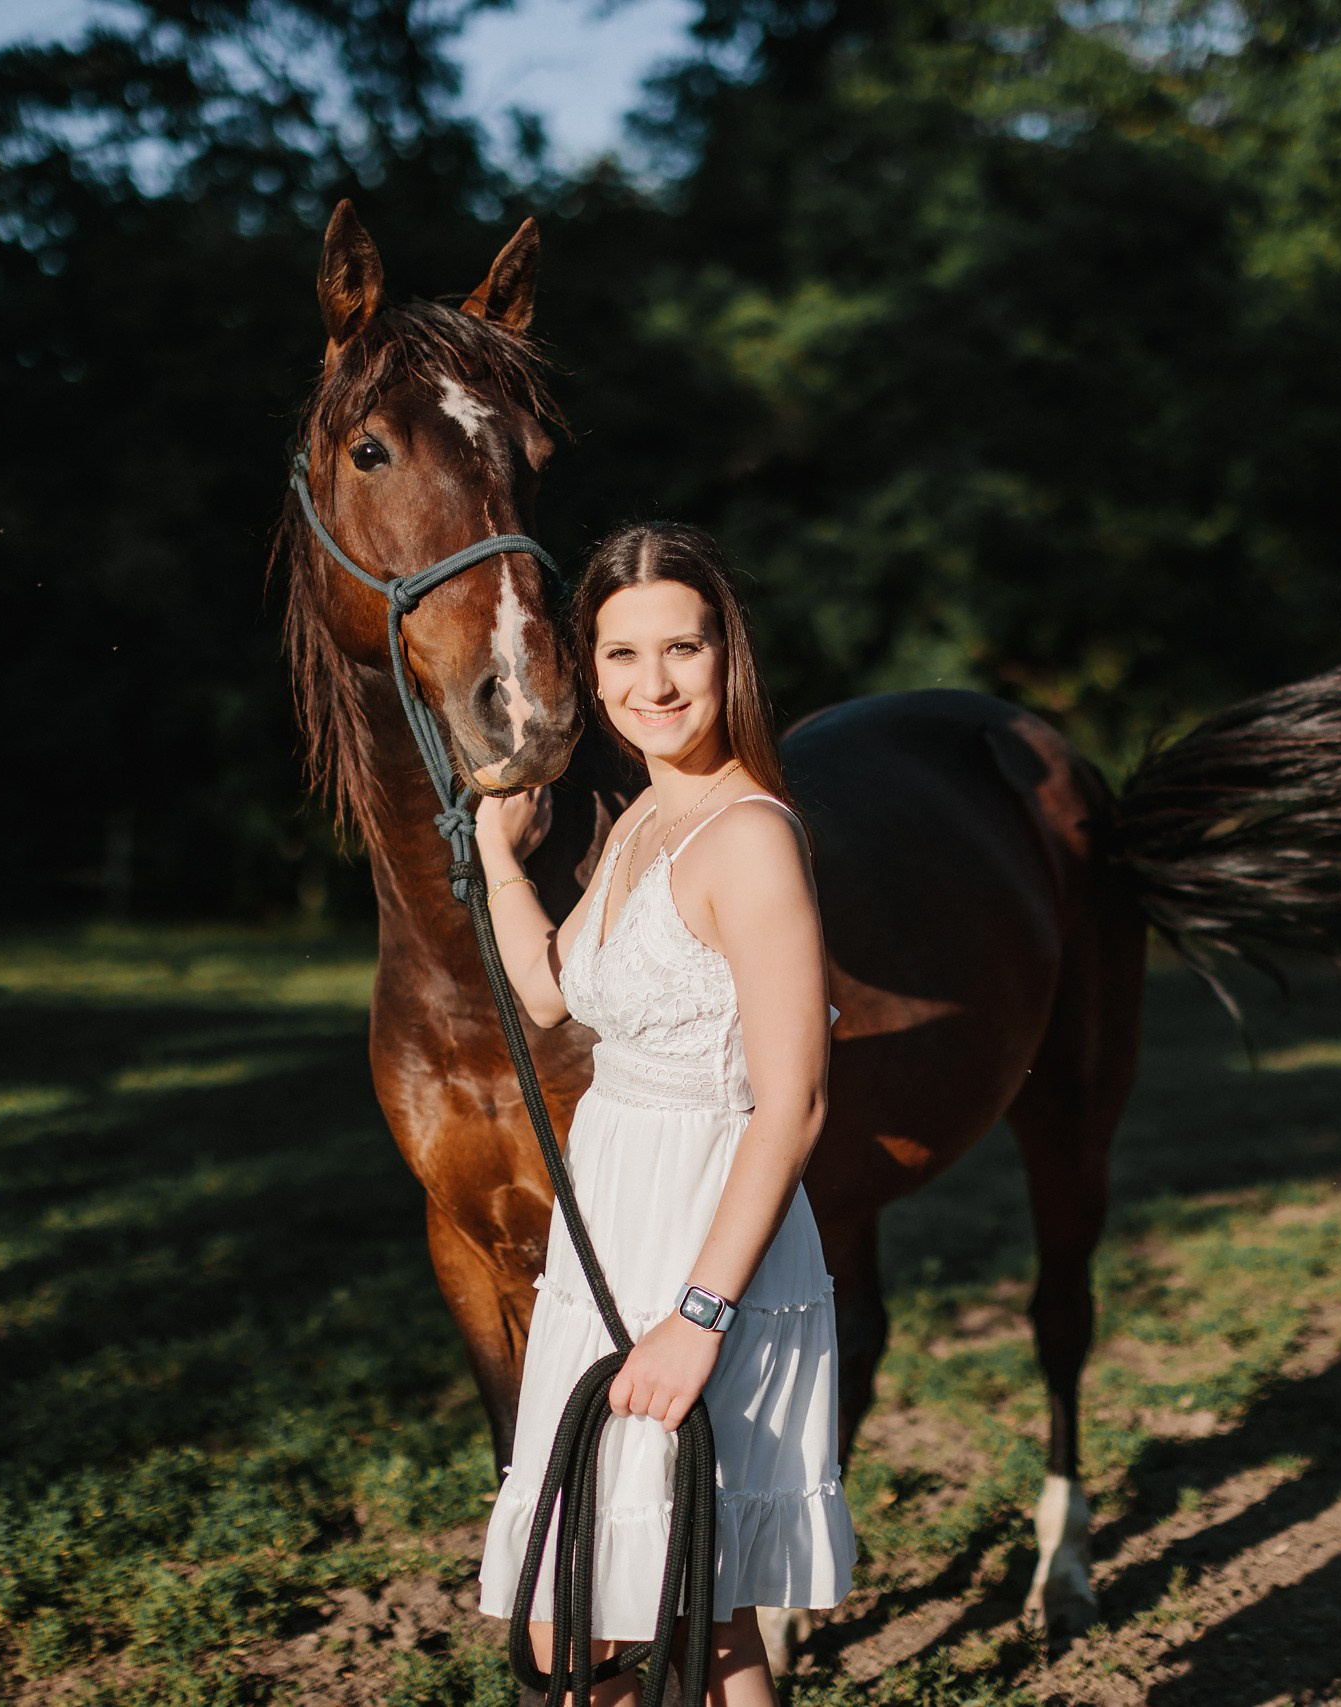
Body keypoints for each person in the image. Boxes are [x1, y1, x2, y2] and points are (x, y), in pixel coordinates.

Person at [472, 522, 854, 1704]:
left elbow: (793, 1103)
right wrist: (498, 857)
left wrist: (698, 1317)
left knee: (604, 1614)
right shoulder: (642, 817)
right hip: (611, 1223)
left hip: (702, 1240)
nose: (653, 683)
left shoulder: (747, 839)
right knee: (686, 1600)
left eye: (680, 648)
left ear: (723, 654)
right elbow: (550, 997)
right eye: (621, 655)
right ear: (588, 674)